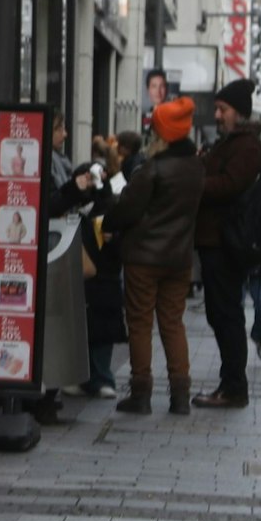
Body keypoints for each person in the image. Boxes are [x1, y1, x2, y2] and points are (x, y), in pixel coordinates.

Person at [102, 97, 203, 415]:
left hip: (144, 258)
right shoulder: (196, 167)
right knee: (173, 323)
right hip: (179, 258)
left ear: (163, 134)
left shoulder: (153, 170)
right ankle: (180, 396)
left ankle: (141, 393)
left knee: (141, 323)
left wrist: (108, 221)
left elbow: (125, 209)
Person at [187, 79, 261, 409]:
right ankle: (231, 383)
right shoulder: (233, 143)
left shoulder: (246, 146)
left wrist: (196, 181)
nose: (217, 115)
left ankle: (234, 386)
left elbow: (230, 185)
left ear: (239, 112)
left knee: (226, 314)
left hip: (226, 242)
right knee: (220, 313)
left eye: (223, 109)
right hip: (216, 241)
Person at [47, 114, 122, 398]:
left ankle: (98, 377)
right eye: (60, 128)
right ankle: (90, 376)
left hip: (99, 281)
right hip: (96, 280)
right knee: (86, 327)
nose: (65, 134)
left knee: (95, 329)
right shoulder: (82, 201)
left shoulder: (100, 209)